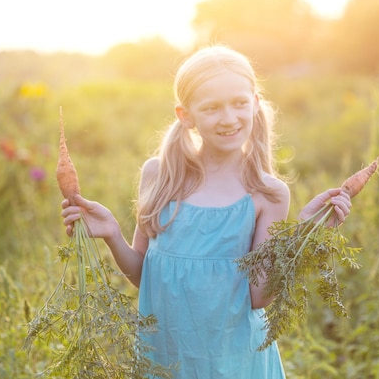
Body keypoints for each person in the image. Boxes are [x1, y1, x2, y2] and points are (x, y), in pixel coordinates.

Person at [61, 45, 352, 378]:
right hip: (166, 358)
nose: (229, 118)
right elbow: (147, 278)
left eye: (240, 103)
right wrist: (112, 234)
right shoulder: (160, 176)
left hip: (235, 360)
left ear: (255, 103)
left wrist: (302, 234)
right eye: (212, 108)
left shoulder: (267, 194)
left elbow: (259, 297)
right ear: (186, 115)